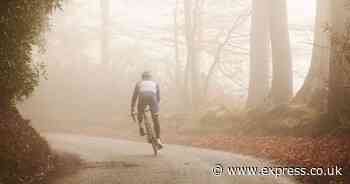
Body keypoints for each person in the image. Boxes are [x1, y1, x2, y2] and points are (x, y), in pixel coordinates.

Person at [131, 71, 163, 148]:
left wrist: (132, 108)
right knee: (155, 119)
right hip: (153, 99)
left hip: (142, 98)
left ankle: (141, 126)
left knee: (140, 112)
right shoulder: (155, 83)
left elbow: (134, 97)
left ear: (142, 78)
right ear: (150, 78)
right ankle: (158, 139)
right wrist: (155, 108)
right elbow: (158, 98)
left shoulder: (139, 83)